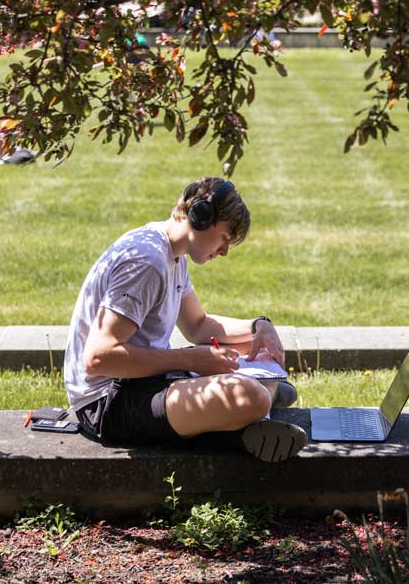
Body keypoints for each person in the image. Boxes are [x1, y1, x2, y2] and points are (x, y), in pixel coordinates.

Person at [63, 177, 305, 462]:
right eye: (225, 238)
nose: (225, 251)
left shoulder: (173, 256)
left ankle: (258, 404)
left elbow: (198, 325)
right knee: (250, 396)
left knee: (255, 354)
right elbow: (100, 358)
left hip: (143, 380)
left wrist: (259, 326)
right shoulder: (147, 262)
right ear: (200, 217)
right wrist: (191, 361)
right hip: (107, 403)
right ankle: (248, 421)